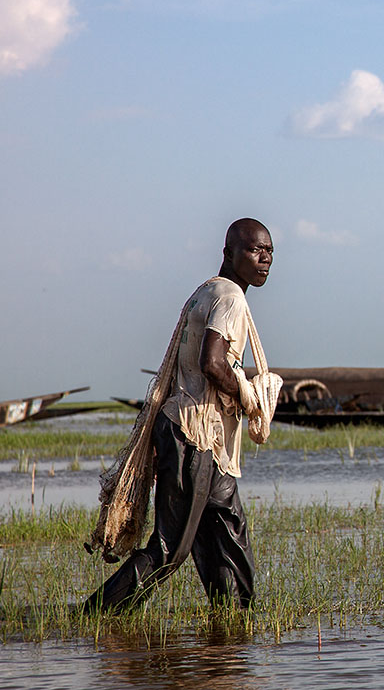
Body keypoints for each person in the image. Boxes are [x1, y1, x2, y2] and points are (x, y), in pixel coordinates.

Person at [86, 218, 278, 612]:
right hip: (194, 436)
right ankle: (95, 614)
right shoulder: (230, 298)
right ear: (229, 254)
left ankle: (234, 626)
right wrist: (246, 393)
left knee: (229, 533)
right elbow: (212, 362)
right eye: (255, 250)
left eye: (270, 251)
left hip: (203, 440)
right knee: (170, 549)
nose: (265, 259)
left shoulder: (206, 291)